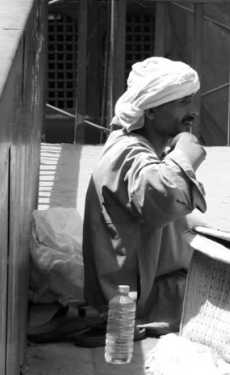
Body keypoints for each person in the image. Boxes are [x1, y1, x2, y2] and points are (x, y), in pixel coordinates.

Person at [81, 57, 208, 345]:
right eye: (183, 103)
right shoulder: (130, 153)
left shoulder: (136, 146)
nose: (193, 112)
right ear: (151, 110)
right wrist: (185, 153)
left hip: (154, 286)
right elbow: (162, 200)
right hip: (139, 301)